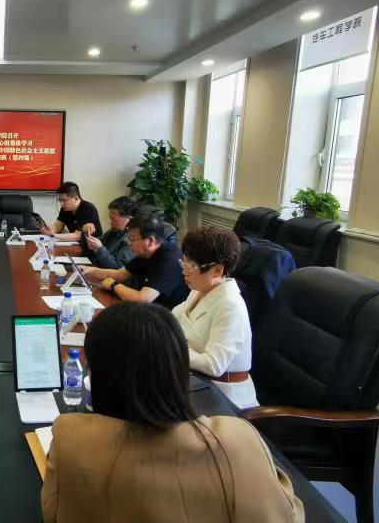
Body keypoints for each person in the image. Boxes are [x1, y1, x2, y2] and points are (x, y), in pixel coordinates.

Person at [41, 302, 304, 523]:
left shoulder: (72, 438)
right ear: (179, 369)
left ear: (99, 374)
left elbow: (52, 513)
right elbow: (289, 515)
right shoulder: (240, 440)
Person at [172, 226, 258, 409]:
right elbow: (176, 317)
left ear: (217, 271)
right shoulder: (199, 290)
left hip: (224, 397)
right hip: (194, 380)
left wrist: (171, 348)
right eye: (184, 263)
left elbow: (214, 364)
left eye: (191, 266)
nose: (184, 271)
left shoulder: (230, 305)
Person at [81, 212, 189, 309]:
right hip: (147, 310)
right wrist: (90, 271)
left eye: (132, 239)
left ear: (150, 240)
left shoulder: (169, 260)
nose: (129, 243)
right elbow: (120, 274)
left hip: (163, 317)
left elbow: (143, 299)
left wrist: (114, 285)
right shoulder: (147, 253)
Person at [82, 199, 179, 269]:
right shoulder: (115, 230)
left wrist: (99, 248)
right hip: (101, 272)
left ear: (130, 218)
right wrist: (86, 234)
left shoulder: (135, 239)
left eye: (113, 219)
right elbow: (90, 247)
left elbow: (117, 267)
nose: (110, 222)